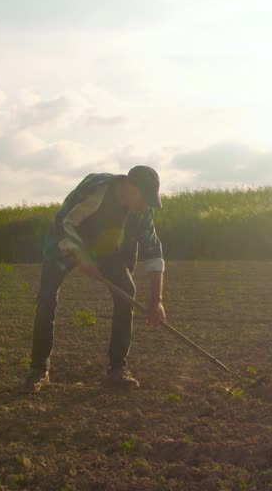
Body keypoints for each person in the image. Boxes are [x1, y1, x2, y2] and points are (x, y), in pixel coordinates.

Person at [22, 165, 166, 392]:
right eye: (144, 198)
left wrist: (156, 300)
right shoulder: (95, 189)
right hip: (65, 245)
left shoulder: (143, 211)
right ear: (130, 187)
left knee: (126, 292)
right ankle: (39, 370)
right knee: (46, 300)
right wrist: (81, 256)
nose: (146, 204)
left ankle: (118, 369)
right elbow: (64, 224)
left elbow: (153, 252)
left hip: (106, 250)